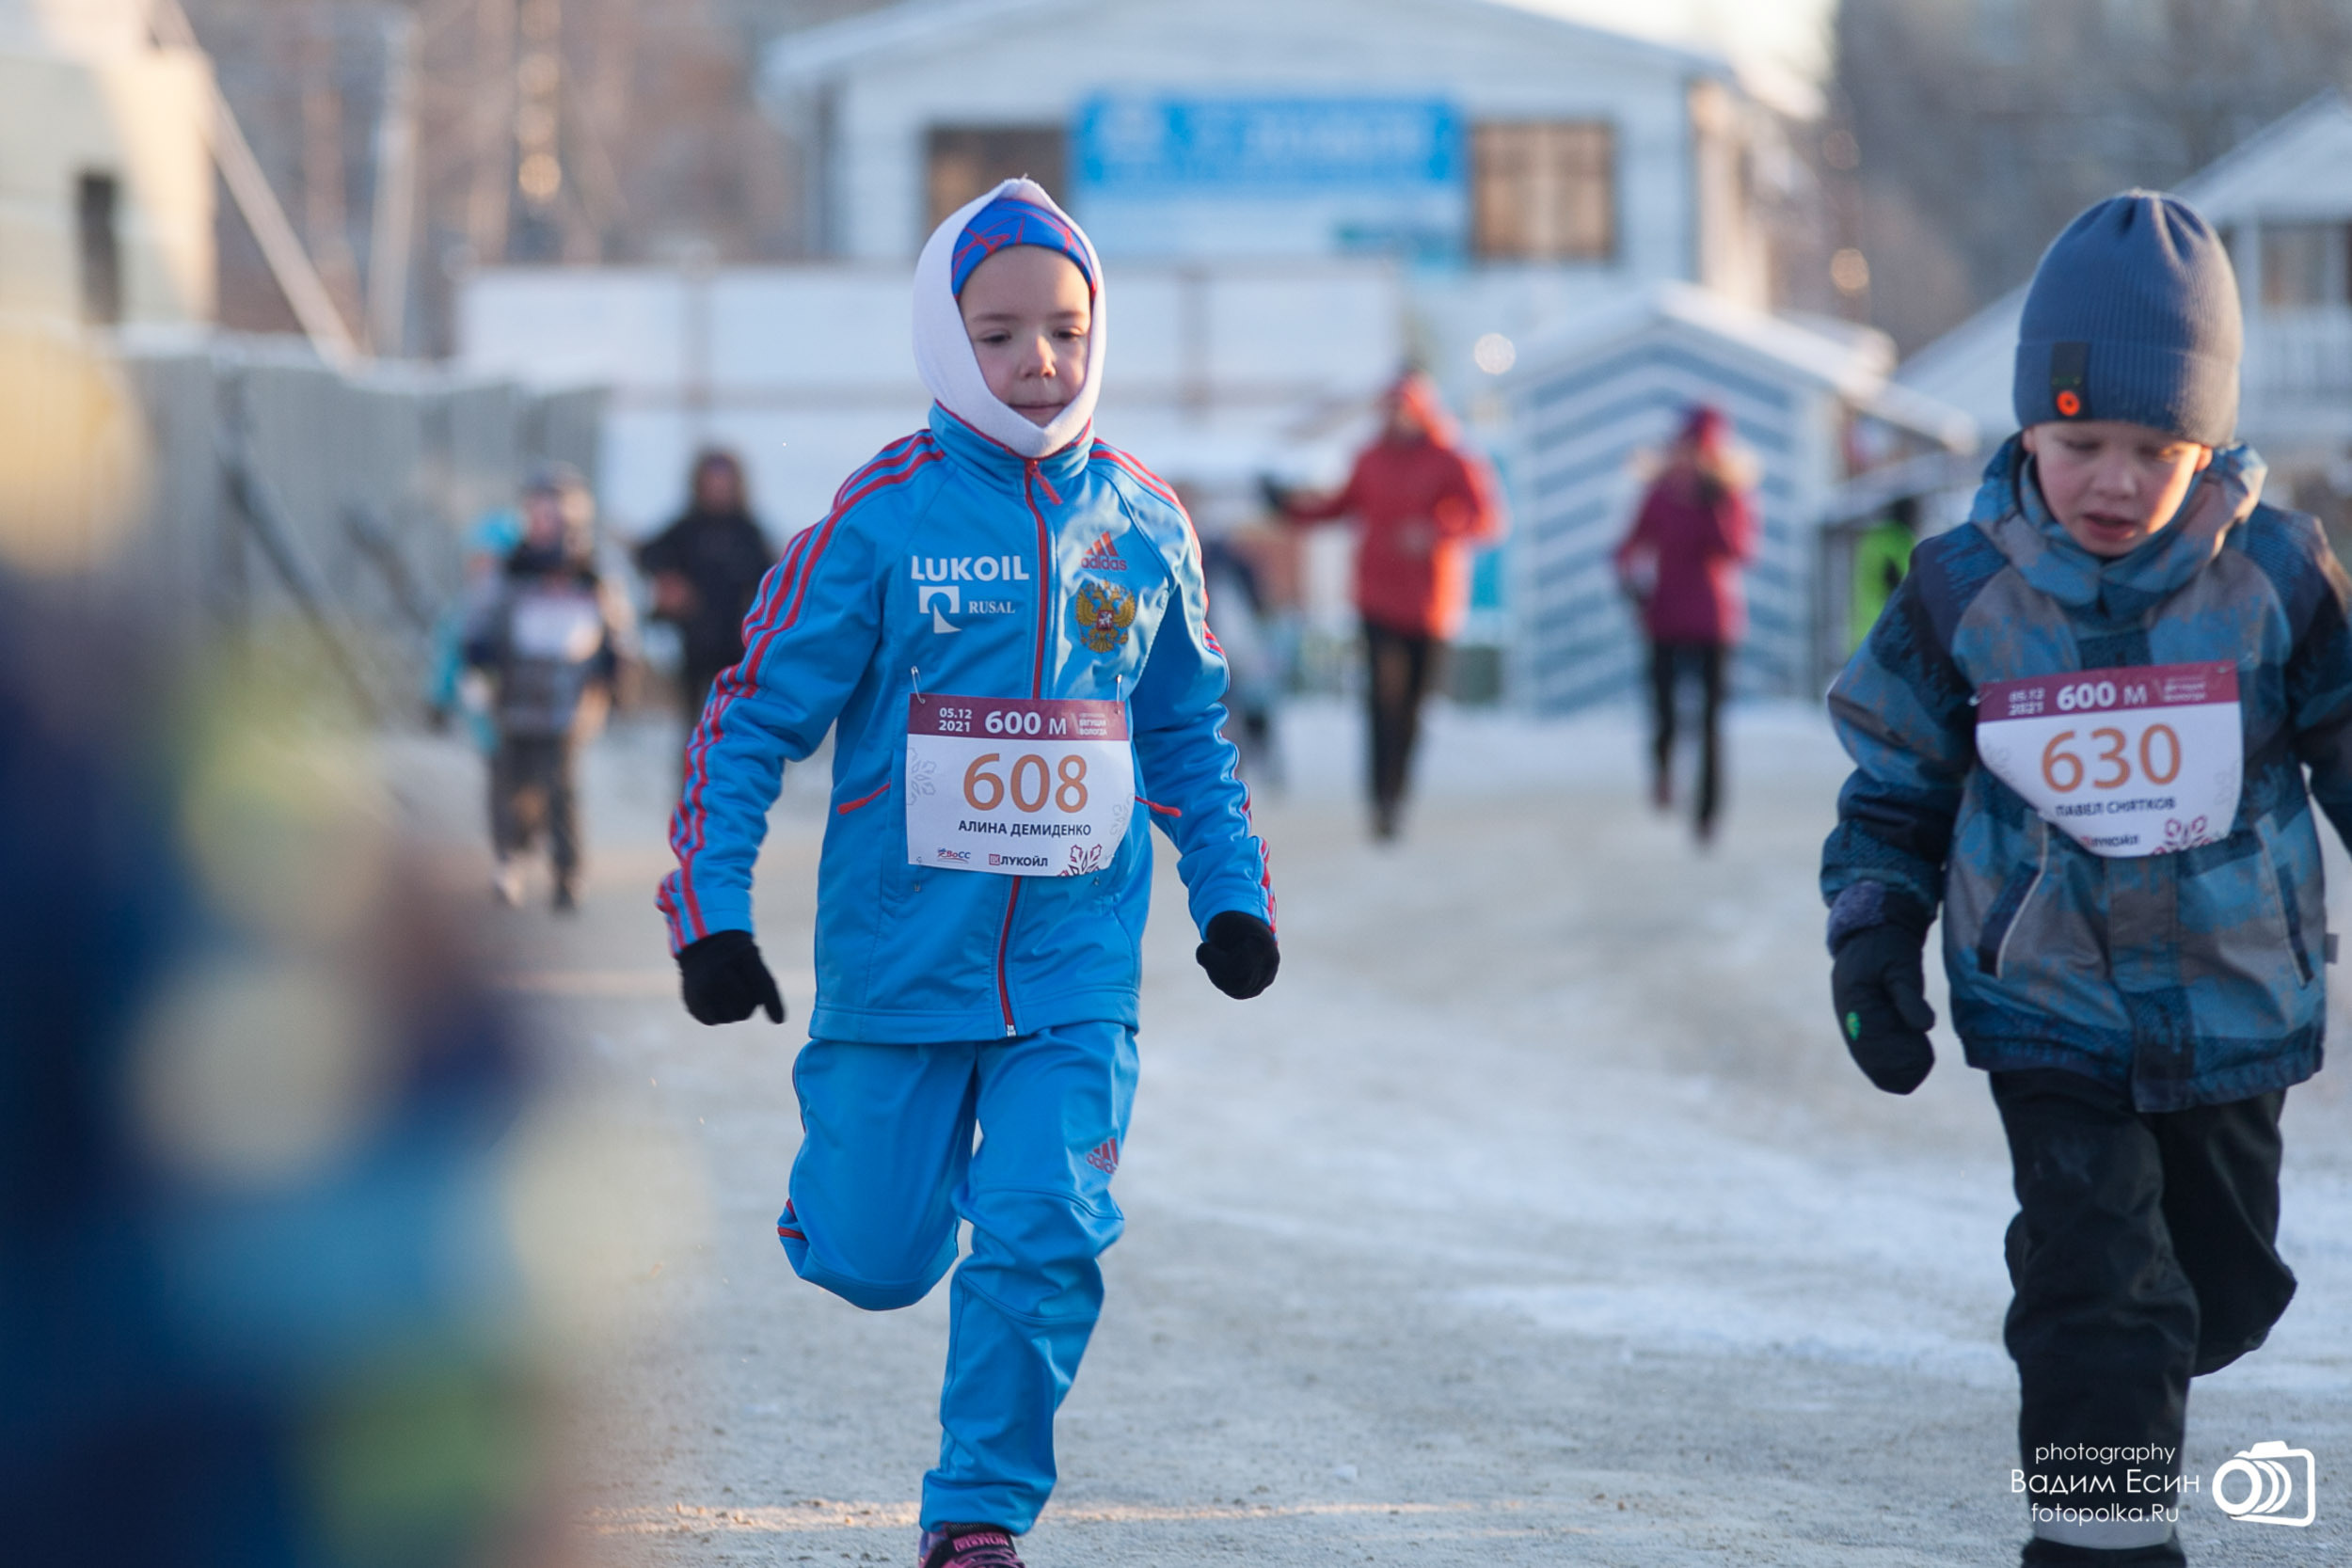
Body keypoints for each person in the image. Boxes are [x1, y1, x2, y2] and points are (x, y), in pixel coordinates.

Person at [657, 179, 1278, 1568]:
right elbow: (750, 720)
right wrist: (711, 914)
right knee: (875, 1258)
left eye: (1064, 329)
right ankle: (854, 1189)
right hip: (901, 963)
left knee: (1045, 1226)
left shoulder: (1145, 521)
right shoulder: (880, 520)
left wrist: (1230, 890)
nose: (1038, 361)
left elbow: (1186, 731)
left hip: (1075, 968)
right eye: (998, 335)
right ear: (946, 339)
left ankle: (977, 1514)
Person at [1821, 192, 2344, 1568]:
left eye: (2153, 448)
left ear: (2208, 439)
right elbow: (1894, 786)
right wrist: (1872, 935)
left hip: (2233, 1001)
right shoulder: (1959, 592)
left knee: (2214, 1289)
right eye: (2078, 442)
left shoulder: (2279, 579)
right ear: (2026, 433)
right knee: (2102, 1282)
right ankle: (2097, 1532)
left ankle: (2109, 1301)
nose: (2112, 478)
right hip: (2047, 1000)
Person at [1266, 371, 1502, 840]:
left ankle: (1399, 793)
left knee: (1412, 707)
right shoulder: (1369, 459)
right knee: (1380, 701)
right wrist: (1289, 507)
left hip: (1431, 606)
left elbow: (1487, 519)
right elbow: (1337, 507)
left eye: (1402, 409)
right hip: (1376, 600)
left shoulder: (1451, 458)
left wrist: (1436, 532)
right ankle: (1380, 801)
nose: (1395, 418)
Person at [463, 467, 625, 911]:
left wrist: (614, 677)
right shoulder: (510, 567)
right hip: (514, 694)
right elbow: (481, 619)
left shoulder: (590, 572)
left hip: (570, 700)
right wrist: (478, 665)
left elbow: (615, 629)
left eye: (554, 510)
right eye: (536, 510)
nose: (544, 519)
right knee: (509, 781)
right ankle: (509, 859)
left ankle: (568, 872)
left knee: (562, 786)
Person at [1613, 404, 1757, 843]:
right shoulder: (1660, 494)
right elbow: (1629, 545)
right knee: (1664, 712)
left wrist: (1713, 504)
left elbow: (1737, 551)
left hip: (1714, 622)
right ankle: (1663, 773)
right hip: (1664, 618)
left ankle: (1708, 813)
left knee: (1710, 722)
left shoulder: (1727, 496)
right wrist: (1631, 582)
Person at [634, 448, 775, 752]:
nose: (717, 488)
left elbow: (775, 581)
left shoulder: (749, 533)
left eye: (724, 481)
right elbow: (648, 554)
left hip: (737, 654)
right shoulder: (686, 528)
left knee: (734, 733)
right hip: (694, 650)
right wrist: (668, 582)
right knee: (694, 733)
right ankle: (691, 781)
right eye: (712, 481)